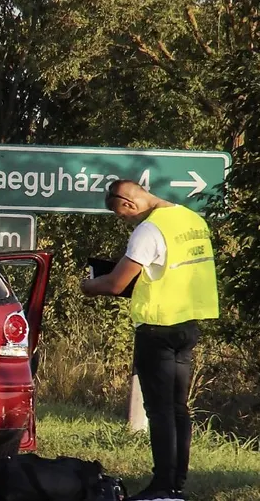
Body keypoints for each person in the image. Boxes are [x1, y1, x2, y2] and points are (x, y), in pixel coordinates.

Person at [82, 181, 220, 501]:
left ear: (128, 204)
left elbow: (117, 283)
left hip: (157, 329)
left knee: (159, 411)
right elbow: (167, 272)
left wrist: (90, 286)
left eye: (122, 216)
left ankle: (161, 488)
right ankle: (176, 484)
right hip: (188, 325)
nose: (126, 221)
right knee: (177, 409)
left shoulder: (149, 230)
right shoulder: (192, 220)